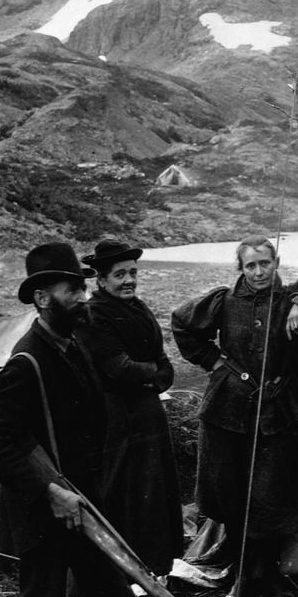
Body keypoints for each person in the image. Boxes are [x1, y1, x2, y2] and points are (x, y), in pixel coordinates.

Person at [0, 243, 202, 597]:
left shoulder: (73, 347)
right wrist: (50, 491)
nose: (82, 296)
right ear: (41, 298)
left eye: (82, 287)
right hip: (42, 516)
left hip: (83, 510)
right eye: (70, 289)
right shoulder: (27, 362)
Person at [170, 234, 298, 597]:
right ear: (241, 268)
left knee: (270, 496)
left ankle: (268, 577)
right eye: (250, 265)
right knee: (229, 495)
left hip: (276, 411)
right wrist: (212, 361)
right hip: (227, 411)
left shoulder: (291, 299)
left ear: (276, 263)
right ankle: (242, 578)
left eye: (265, 263)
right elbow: (181, 323)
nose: (258, 271)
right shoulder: (225, 300)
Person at [76, 239, 183, 578]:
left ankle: (152, 570)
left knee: (153, 493)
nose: (129, 281)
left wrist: (153, 373)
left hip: (148, 415)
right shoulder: (94, 314)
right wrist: (153, 372)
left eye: (133, 273)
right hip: (118, 421)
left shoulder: (139, 308)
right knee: (125, 492)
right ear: (102, 279)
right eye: (119, 274)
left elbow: (165, 366)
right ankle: (120, 574)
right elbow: (118, 368)